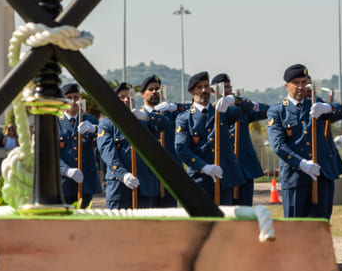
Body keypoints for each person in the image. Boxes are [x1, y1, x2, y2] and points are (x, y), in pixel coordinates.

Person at [267, 64, 342, 219]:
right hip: (295, 177)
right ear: (287, 86)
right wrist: (302, 164)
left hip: (322, 175)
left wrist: (328, 108)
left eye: (304, 82)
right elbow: (278, 146)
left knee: (320, 227)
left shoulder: (316, 105)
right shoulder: (278, 111)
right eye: (296, 83)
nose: (301, 87)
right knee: (295, 229)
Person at [174, 71, 245, 205]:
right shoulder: (184, 118)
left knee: (225, 224)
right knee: (203, 223)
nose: (204, 90)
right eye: (199, 87)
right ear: (191, 92)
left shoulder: (222, 111)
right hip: (200, 180)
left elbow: (246, 107)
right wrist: (204, 167)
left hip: (224, 179)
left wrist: (232, 99)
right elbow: (181, 148)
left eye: (206, 86)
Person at [97, 83, 153, 209]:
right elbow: (108, 153)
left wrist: (148, 117)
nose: (127, 100)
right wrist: (123, 174)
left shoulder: (143, 122)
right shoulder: (106, 124)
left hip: (143, 187)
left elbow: (164, 127)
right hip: (119, 188)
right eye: (122, 97)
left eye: (129, 97)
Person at [216, 74, 268, 206]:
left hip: (244, 167)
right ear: (213, 90)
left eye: (229, 87)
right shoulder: (212, 110)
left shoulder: (241, 108)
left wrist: (240, 101)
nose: (227, 90)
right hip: (224, 169)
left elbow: (266, 110)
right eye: (223, 87)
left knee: (246, 211)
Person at [138, 75, 183, 208]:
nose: (154, 92)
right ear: (142, 94)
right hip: (147, 179)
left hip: (169, 177)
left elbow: (194, 109)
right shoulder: (138, 116)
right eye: (150, 89)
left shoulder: (171, 114)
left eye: (157, 89)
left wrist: (175, 106)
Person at [58, 83, 101, 209]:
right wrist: (65, 170)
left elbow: (105, 138)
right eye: (69, 97)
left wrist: (95, 129)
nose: (73, 101)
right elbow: (50, 154)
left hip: (85, 182)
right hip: (64, 183)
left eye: (76, 97)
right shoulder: (55, 123)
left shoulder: (89, 120)